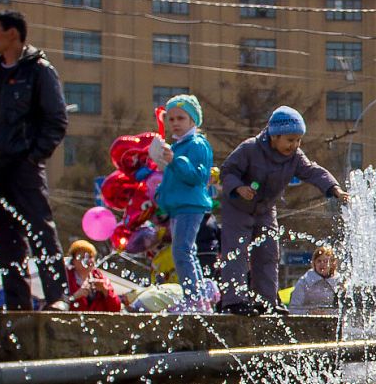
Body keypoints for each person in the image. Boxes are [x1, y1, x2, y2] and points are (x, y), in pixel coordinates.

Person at [0, 10, 68, 309]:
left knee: (41, 229)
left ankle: (57, 297)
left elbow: (56, 120)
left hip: (24, 167)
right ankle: (17, 302)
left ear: (12, 34)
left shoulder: (38, 70)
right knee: (6, 237)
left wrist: (34, 155)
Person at [217, 106, 349, 314]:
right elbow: (227, 171)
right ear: (274, 136)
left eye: (298, 140)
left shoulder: (295, 156)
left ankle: (267, 302)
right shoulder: (250, 148)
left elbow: (313, 171)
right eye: (290, 140)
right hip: (237, 208)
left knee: (268, 253)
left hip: (265, 209)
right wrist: (239, 188)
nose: (294, 145)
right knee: (236, 252)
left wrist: (335, 189)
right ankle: (234, 302)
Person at [149, 94, 215, 310]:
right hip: (180, 206)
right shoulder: (177, 147)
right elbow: (172, 178)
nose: (175, 123)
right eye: (171, 119)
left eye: (181, 118)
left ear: (193, 120)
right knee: (186, 251)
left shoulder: (197, 145)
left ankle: (194, 297)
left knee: (182, 251)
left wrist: (174, 161)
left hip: (190, 206)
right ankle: (198, 297)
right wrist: (161, 195)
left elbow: (197, 176)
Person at [61, 240, 123, 312]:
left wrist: (106, 291)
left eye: (90, 257)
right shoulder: (65, 279)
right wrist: (75, 297)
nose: (87, 260)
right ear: (73, 261)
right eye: (81, 257)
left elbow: (116, 309)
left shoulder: (101, 279)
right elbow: (58, 308)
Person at [287, 245, 343, 315]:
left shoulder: (339, 282)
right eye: (319, 261)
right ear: (314, 263)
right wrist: (309, 312)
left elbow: (344, 310)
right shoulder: (304, 281)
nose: (322, 264)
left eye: (325, 261)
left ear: (332, 264)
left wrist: (328, 313)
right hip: (307, 320)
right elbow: (293, 309)